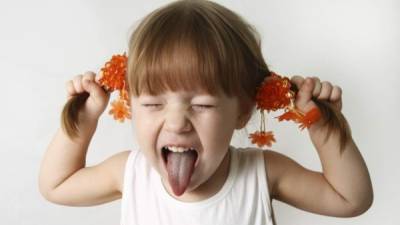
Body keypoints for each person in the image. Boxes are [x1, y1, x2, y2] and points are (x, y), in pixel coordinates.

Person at [38, 1, 373, 224]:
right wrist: (83, 122)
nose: (176, 122)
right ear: (130, 105)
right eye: (153, 103)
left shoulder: (262, 172)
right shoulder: (131, 173)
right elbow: (57, 185)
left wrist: (324, 127)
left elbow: (350, 200)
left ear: (242, 111)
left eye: (202, 105)